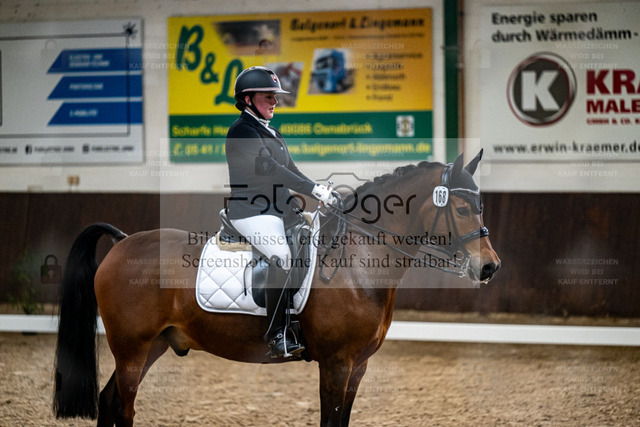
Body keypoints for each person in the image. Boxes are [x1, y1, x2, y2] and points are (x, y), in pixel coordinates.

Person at [225, 66, 336, 358]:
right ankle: (277, 335)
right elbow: (270, 168)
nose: (275, 101)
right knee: (282, 257)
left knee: (312, 243)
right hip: (251, 212)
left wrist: (318, 190)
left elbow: (291, 170)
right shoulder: (241, 131)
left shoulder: (271, 131)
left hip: (278, 210)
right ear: (248, 99)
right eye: (268, 96)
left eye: (275, 96)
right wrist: (313, 190)